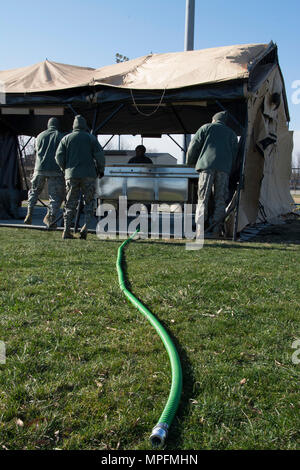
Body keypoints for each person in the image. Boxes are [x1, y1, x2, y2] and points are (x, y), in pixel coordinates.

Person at [186, 111, 238, 236]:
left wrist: (190, 162)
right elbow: (235, 155)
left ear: (214, 119)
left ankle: (200, 230)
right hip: (224, 170)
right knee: (220, 200)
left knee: (203, 199)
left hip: (206, 167)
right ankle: (216, 230)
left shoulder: (206, 128)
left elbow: (193, 146)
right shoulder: (232, 134)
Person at [55, 115, 105, 240]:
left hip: (71, 175)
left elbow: (58, 157)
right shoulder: (91, 138)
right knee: (89, 202)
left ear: (74, 125)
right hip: (89, 175)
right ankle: (85, 228)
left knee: (70, 203)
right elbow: (99, 156)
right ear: (84, 125)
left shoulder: (66, 138)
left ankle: (66, 230)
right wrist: (100, 169)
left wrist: (64, 168)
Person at [24, 117, 65, 227]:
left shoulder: (39, 136)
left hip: (39, 168)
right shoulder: (60, 136)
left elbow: (36, 150)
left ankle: (29, 212)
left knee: (34, 191)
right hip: (55, 170)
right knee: (55, 196)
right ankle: (50, 218)